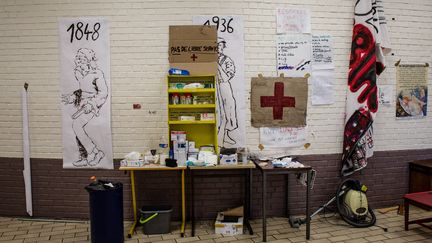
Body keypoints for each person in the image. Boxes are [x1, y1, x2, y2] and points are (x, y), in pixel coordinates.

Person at [62, 48, 108, 167]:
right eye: (78, 58)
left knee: (76, 125)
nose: (79, 60)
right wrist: (72, 97)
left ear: (88, 60)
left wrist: (92, 104)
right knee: (76, 129)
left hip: (92, 105)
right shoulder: (78, 72)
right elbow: (83, 91)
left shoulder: (97, 73)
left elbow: (103, 93)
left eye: (82, 58)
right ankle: (86, 156)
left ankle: (95, 152)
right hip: (81, 104)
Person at [217, 37, 239, 146]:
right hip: (214, 86)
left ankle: (225, 135)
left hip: (224, 86)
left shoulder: (227, 60)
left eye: (220, 45)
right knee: (218, 110)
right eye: (216, 45)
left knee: (228, 108)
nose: (218, 48)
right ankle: (219, 137)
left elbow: (228, 76)